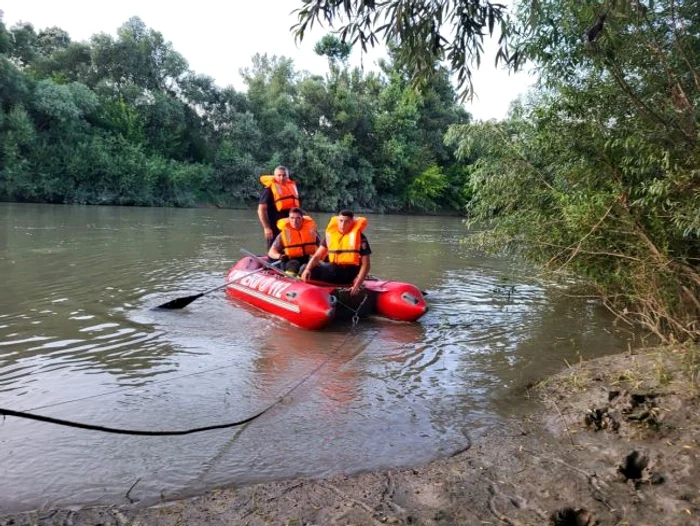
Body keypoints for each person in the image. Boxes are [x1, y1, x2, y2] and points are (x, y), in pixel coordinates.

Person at [300, 210, 371, 295]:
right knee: (306, 268)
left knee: (304, 268)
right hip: (334, 269)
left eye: (347, 222)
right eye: (341, 221)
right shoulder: (331, 235)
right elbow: (317, 256)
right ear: (337, 221)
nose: (343, 225)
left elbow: (366, 264)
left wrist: (357, 284)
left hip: (349, 273)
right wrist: (308, 269)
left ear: (352, 223)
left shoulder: (360, 238)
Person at [267, 207, 320, 276]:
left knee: (306, 267)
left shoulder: (312, 232)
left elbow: (322, 247)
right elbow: (271, 252)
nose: (294, 221)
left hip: (306, 259)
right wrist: (279, 256)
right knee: (294, 264)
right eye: (292, 218)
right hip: (290, 261)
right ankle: (289, 278)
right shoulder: (283, 234)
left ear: (302, 219)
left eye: (298, 218)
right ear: (289, 219)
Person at [257, 166, 300, 248]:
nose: (281, 178)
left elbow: (296, 208)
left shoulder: (291, 187)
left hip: (288, 225)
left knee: (289, 247)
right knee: (273, 248)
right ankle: (272, 258)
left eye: (284, 175)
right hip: (273, 226)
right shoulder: (269, 189)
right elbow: (261, 210)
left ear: (288, 176)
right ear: (275, 176)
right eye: (279, 175)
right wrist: (266, 228)